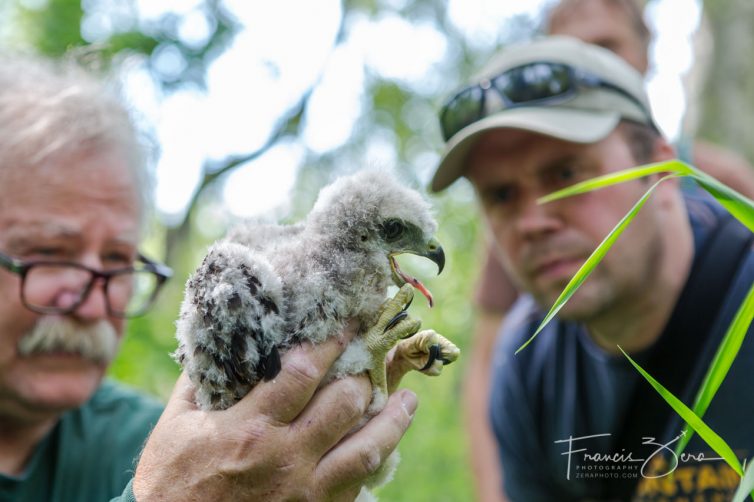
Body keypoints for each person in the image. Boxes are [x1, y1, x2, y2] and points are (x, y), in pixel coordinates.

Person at [0, 54, 417, 501]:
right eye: (49, 255)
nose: (93, 304)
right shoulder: (183, 469)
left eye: (119, 262)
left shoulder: (152, 440)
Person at [434, 35, 754, 500]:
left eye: (566, 174)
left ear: (662, 171)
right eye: (501, 195)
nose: (532, 222)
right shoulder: (526, 369)